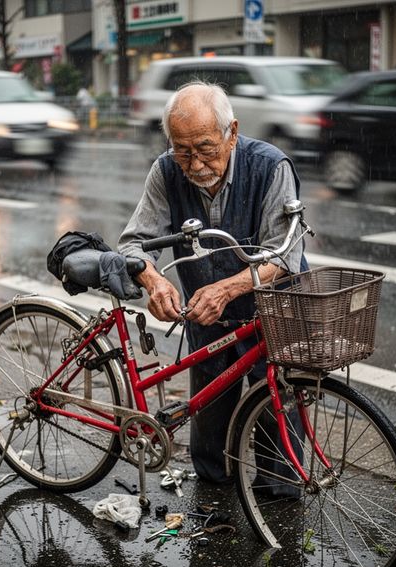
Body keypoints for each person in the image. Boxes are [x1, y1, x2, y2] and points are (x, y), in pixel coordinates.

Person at [117, 82, 307, 485]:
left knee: (278, 425)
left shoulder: (271, 167)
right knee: (209, 429)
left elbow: (283, 255)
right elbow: (135, 243)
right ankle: (213, 498)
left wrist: (227, 288)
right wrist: (153, 281)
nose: (195, 162)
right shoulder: (167, 170)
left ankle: (276, 499)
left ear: (232, 133)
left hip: (271, 316)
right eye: (182, 150)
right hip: (206, 318)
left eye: (205, 147)